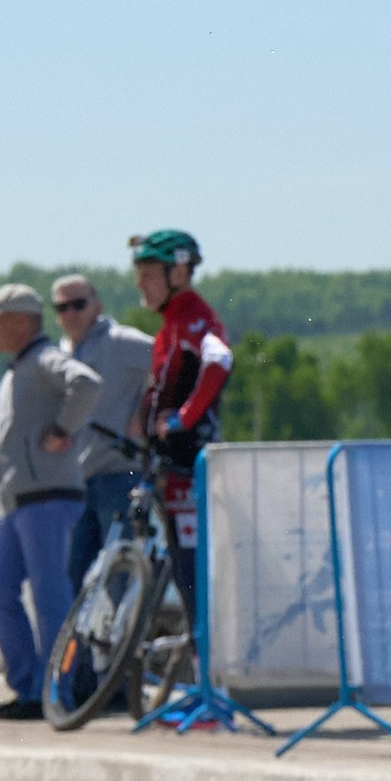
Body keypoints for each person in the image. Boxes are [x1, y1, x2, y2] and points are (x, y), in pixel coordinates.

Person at [0, 284, 101, 721]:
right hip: (23, 500)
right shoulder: (21, 369)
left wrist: (64, 429)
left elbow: (86, 383)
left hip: (47, 498)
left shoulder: (42, 359)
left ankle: (53, 691)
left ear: (19, 322)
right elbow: (6, 438)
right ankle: (32, 688)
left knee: (49, 598)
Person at [131, 231, 231, 635]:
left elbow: (220, 361)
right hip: (168, 461)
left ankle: (205, 662)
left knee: (191, 572)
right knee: (178, 565)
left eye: (148, 274)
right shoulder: (172, 321)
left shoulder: (194, 318)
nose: (139, 283)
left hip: (188, 463)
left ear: (178, 273)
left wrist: (182, 419)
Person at [53, 273, 155, 594]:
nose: (70, 313)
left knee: (119, 579)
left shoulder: (120, 341)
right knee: (70, 581)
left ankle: (128, 629)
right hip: (76, 482)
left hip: (120, 475)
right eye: (62, 307)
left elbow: (174, 364)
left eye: (78, 304)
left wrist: (146, 412)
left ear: (97, 306)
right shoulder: (61, 354)